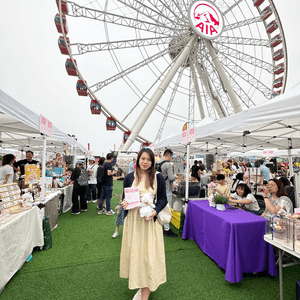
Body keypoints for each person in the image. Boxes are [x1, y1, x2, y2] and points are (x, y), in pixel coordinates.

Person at [120, 148, 167, 300]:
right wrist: (124, 204)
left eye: (148, 159)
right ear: (138, 159)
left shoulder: (158, 177)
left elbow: (163, 199)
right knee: (136, 256)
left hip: (149, 223)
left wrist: (155, 211)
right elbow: (124, 198)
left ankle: (145, 294)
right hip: (133, 222)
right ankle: (142, 287)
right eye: (143, 158)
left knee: (148, 257)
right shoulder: (129, 177)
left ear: (152, 161)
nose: (145, 162)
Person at [159, 149, 178, 237]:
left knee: (159, 207)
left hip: (158, 189)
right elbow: (171, 178)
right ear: (169, 155)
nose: (171, 158)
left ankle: (160, 226)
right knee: (167, 209)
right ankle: (167, 229)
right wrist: (176, 177)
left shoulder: (157, 163)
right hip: (166, 189)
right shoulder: (167, 164)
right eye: (171, 157)